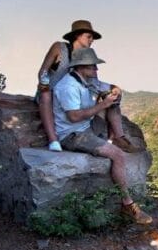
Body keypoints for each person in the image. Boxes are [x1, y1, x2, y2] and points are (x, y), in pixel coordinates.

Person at [52, 47, 152, 224]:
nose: (96, 70)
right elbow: (73, 116)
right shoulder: (68, 86)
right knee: (118, 156)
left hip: (87, 125)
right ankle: (128, 205)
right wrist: (102, 105)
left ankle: (117, 137)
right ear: (81, 67)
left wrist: (114, 93)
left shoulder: (85, 80)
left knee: (113, 103)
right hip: (73, 134)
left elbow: (110, 88)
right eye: (93, 67)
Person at [36, 19, 101, 151]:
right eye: (89, 36)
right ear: (77, 35)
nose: (92, 40)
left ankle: (110, 136)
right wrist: (44, 83)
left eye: (93, 37)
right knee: (46, 95)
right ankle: (53, 140)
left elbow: (93, 80)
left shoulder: (88, 55)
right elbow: (43, 71)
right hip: (52, 90)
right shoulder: (59, 48)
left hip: (72, 96)